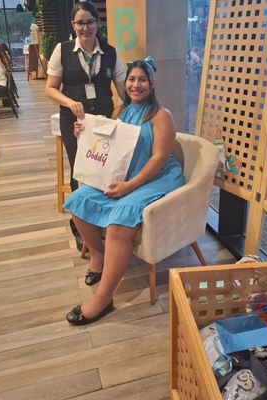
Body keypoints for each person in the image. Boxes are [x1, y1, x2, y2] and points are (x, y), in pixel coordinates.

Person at [63, 59, 185, 325]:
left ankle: (104, 297)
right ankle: (98, 254)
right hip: (126, 174)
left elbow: (158, 159)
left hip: (157, 178)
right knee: (78, 200)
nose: (136, 85)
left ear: (152, 83)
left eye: (142, 79)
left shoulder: (161, 115)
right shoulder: (120, 111)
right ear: (124, 82)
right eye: (131, 79)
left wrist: (130, 186)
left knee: (119, 223)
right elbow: (105, 144)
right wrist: (82, 133)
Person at [45, 2, 126, 249]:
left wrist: (118, 114)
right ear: (73, 24)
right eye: (80, 23)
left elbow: (124, 93)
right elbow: (50, 88)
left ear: (97, 23)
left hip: (103, 121)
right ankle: (79, 226)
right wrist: (70, 103)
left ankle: (102, 219)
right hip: (74, 121)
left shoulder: (110, 52)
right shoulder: (63, 50)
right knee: (80, 170)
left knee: (104, 168)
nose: (85, 28)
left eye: (90, 22)